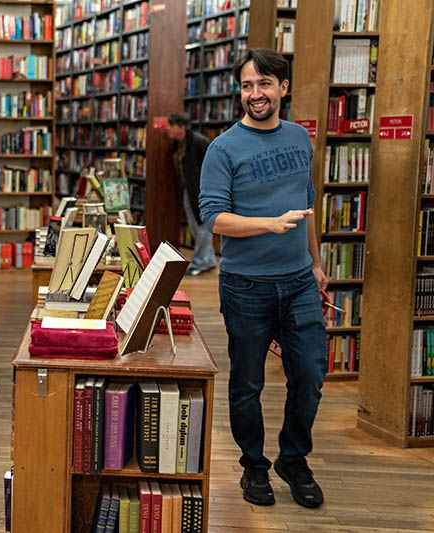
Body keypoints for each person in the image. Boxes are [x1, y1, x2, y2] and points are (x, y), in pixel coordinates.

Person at [199, 48, 328, 510]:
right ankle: (254, 466)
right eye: (247, 85)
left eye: (265, 84)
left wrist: (315, 262)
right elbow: (213, 219)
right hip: (246, 285)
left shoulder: (299, 137)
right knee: (247, 384)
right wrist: (269, 224)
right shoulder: (223, 148)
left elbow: (307, 203)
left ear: (283, 88)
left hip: (298, 282)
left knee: (310, 375)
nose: (255, 94)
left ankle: (294, 459)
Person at [166, 112, 216, 275]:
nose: (168, 129)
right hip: (189, 189)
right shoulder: (178, 143)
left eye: (171, 125)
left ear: (181, 127)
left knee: (202, 226)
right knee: (195, 227)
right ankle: (208, 260)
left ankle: (199, 263)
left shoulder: (198, 142)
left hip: (201, 191)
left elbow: (214, 161)